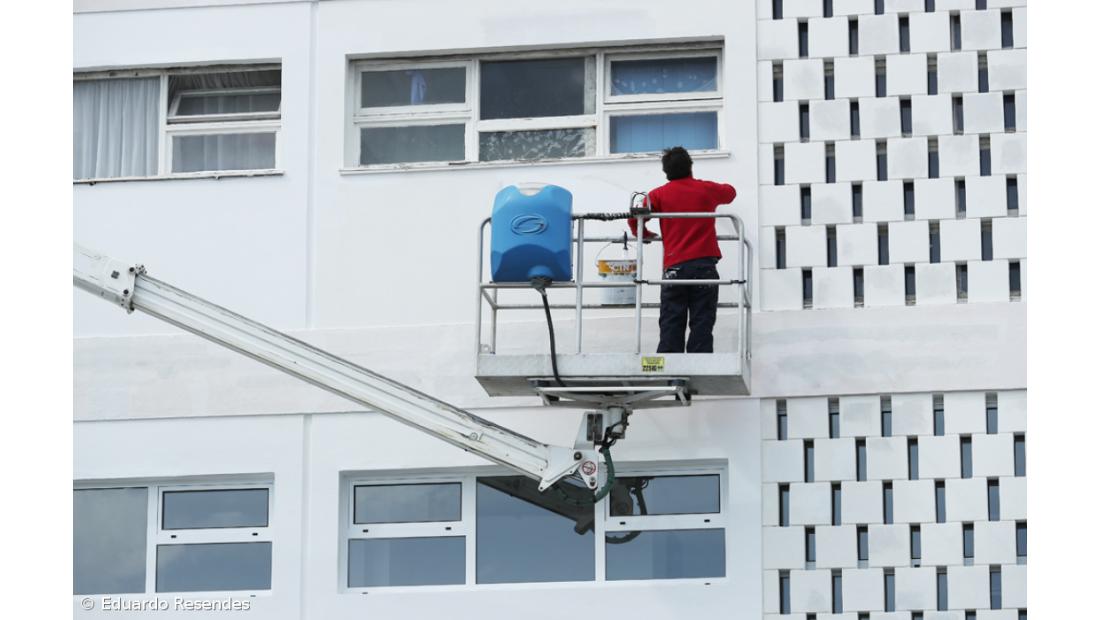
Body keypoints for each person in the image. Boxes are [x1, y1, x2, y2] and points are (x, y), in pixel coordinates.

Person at [628, 146, 737, 353]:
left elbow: (635, 217)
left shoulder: (658, 195)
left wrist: (645, 235)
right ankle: (699, 366)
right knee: (702, 322)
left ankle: (672, 372)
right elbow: (730, 192)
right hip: (704, 267)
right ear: (690, 166)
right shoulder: (706, 189)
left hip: (674, 269)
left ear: (666, 171)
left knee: (671, 320)